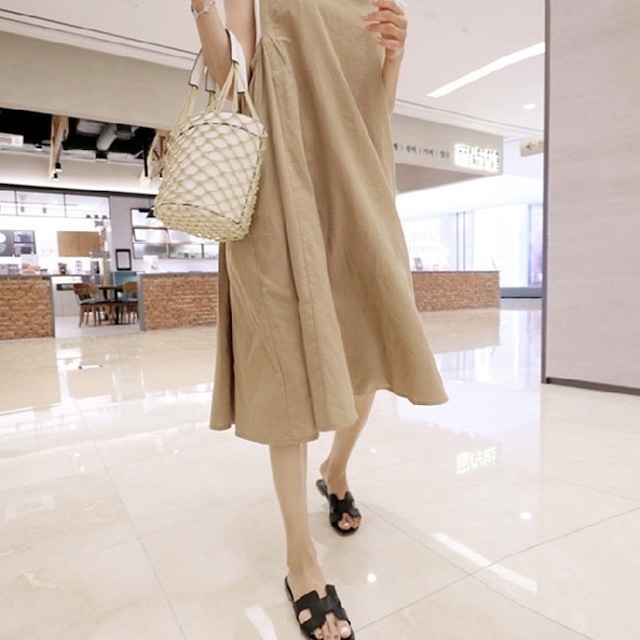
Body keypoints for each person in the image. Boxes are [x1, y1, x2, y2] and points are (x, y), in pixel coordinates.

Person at [189, 0, 447, 638]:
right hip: (277, 196)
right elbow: (229, 73)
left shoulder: (366, 5)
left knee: (363, 346)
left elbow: (369, 112)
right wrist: (202, 8)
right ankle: (301, 561)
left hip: (355, 189)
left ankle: (335, 471)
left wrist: (394, 58)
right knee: (287, 370)